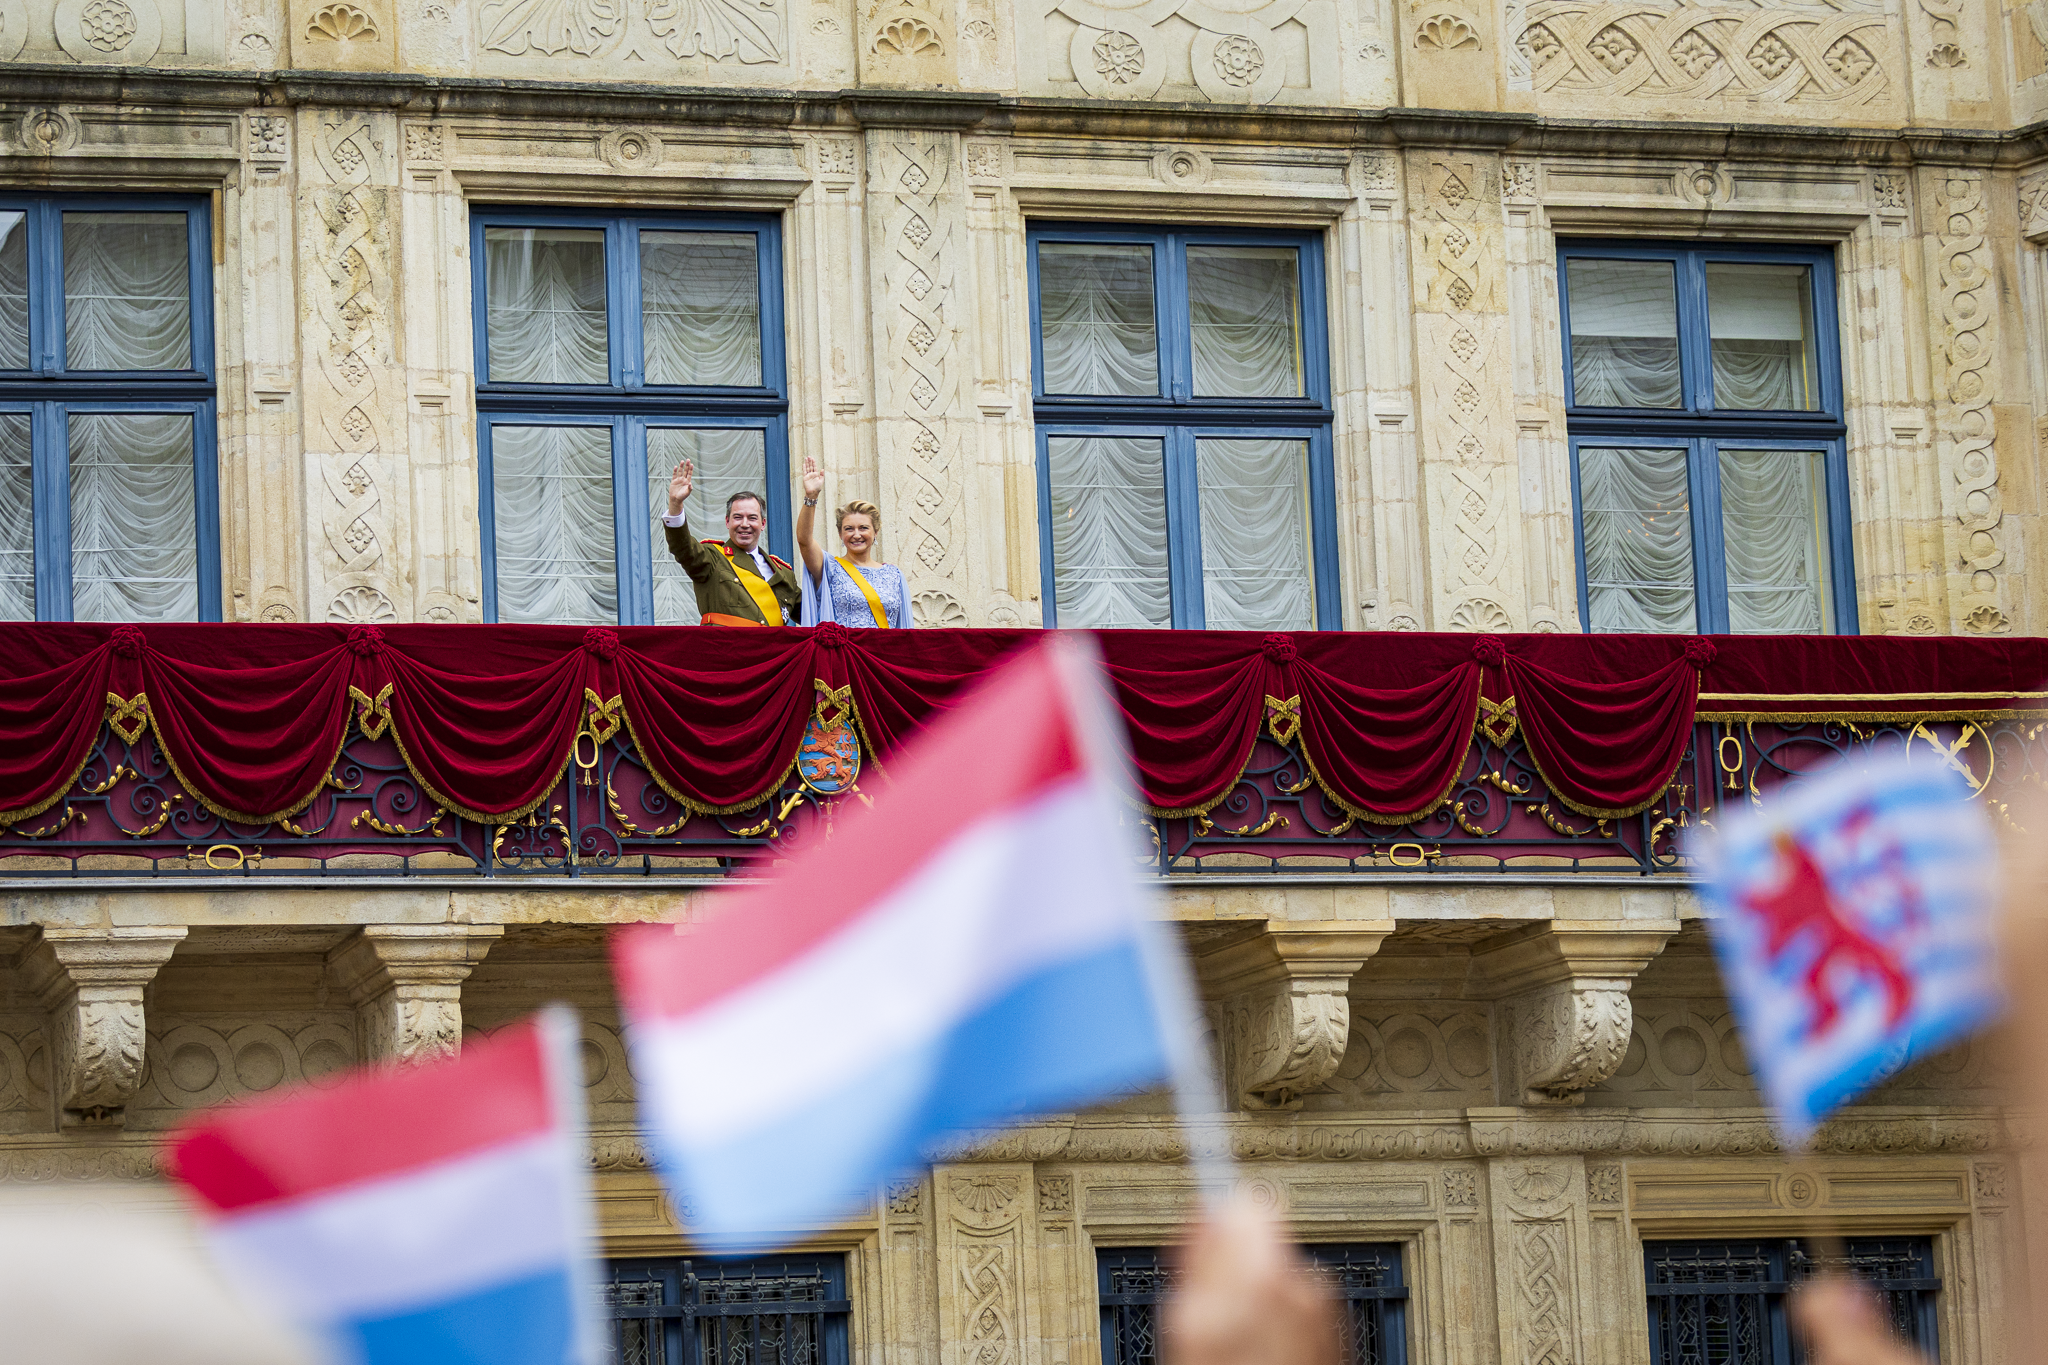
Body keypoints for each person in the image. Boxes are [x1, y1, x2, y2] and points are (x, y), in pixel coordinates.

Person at [663, 458, 800, 627]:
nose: (744, 524)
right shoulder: (713, 558)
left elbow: (815, 610)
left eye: (752, 518)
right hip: (726, 644)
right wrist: (675, 503)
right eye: (738, 517)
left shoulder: (784, 574)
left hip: (772, 645)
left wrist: (811, 500)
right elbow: (683, 548)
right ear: (727, 521)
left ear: (763, 524)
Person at [795, 453, 914, 629]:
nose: (856, 534)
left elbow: (904, 630)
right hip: (843, 647)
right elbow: (804, 540)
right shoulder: (829, 568)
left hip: (884, 648)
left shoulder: (894, 575)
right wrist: (811, 497)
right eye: (849, 529)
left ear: (875, 532)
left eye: (863, 528)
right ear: (840, 534)